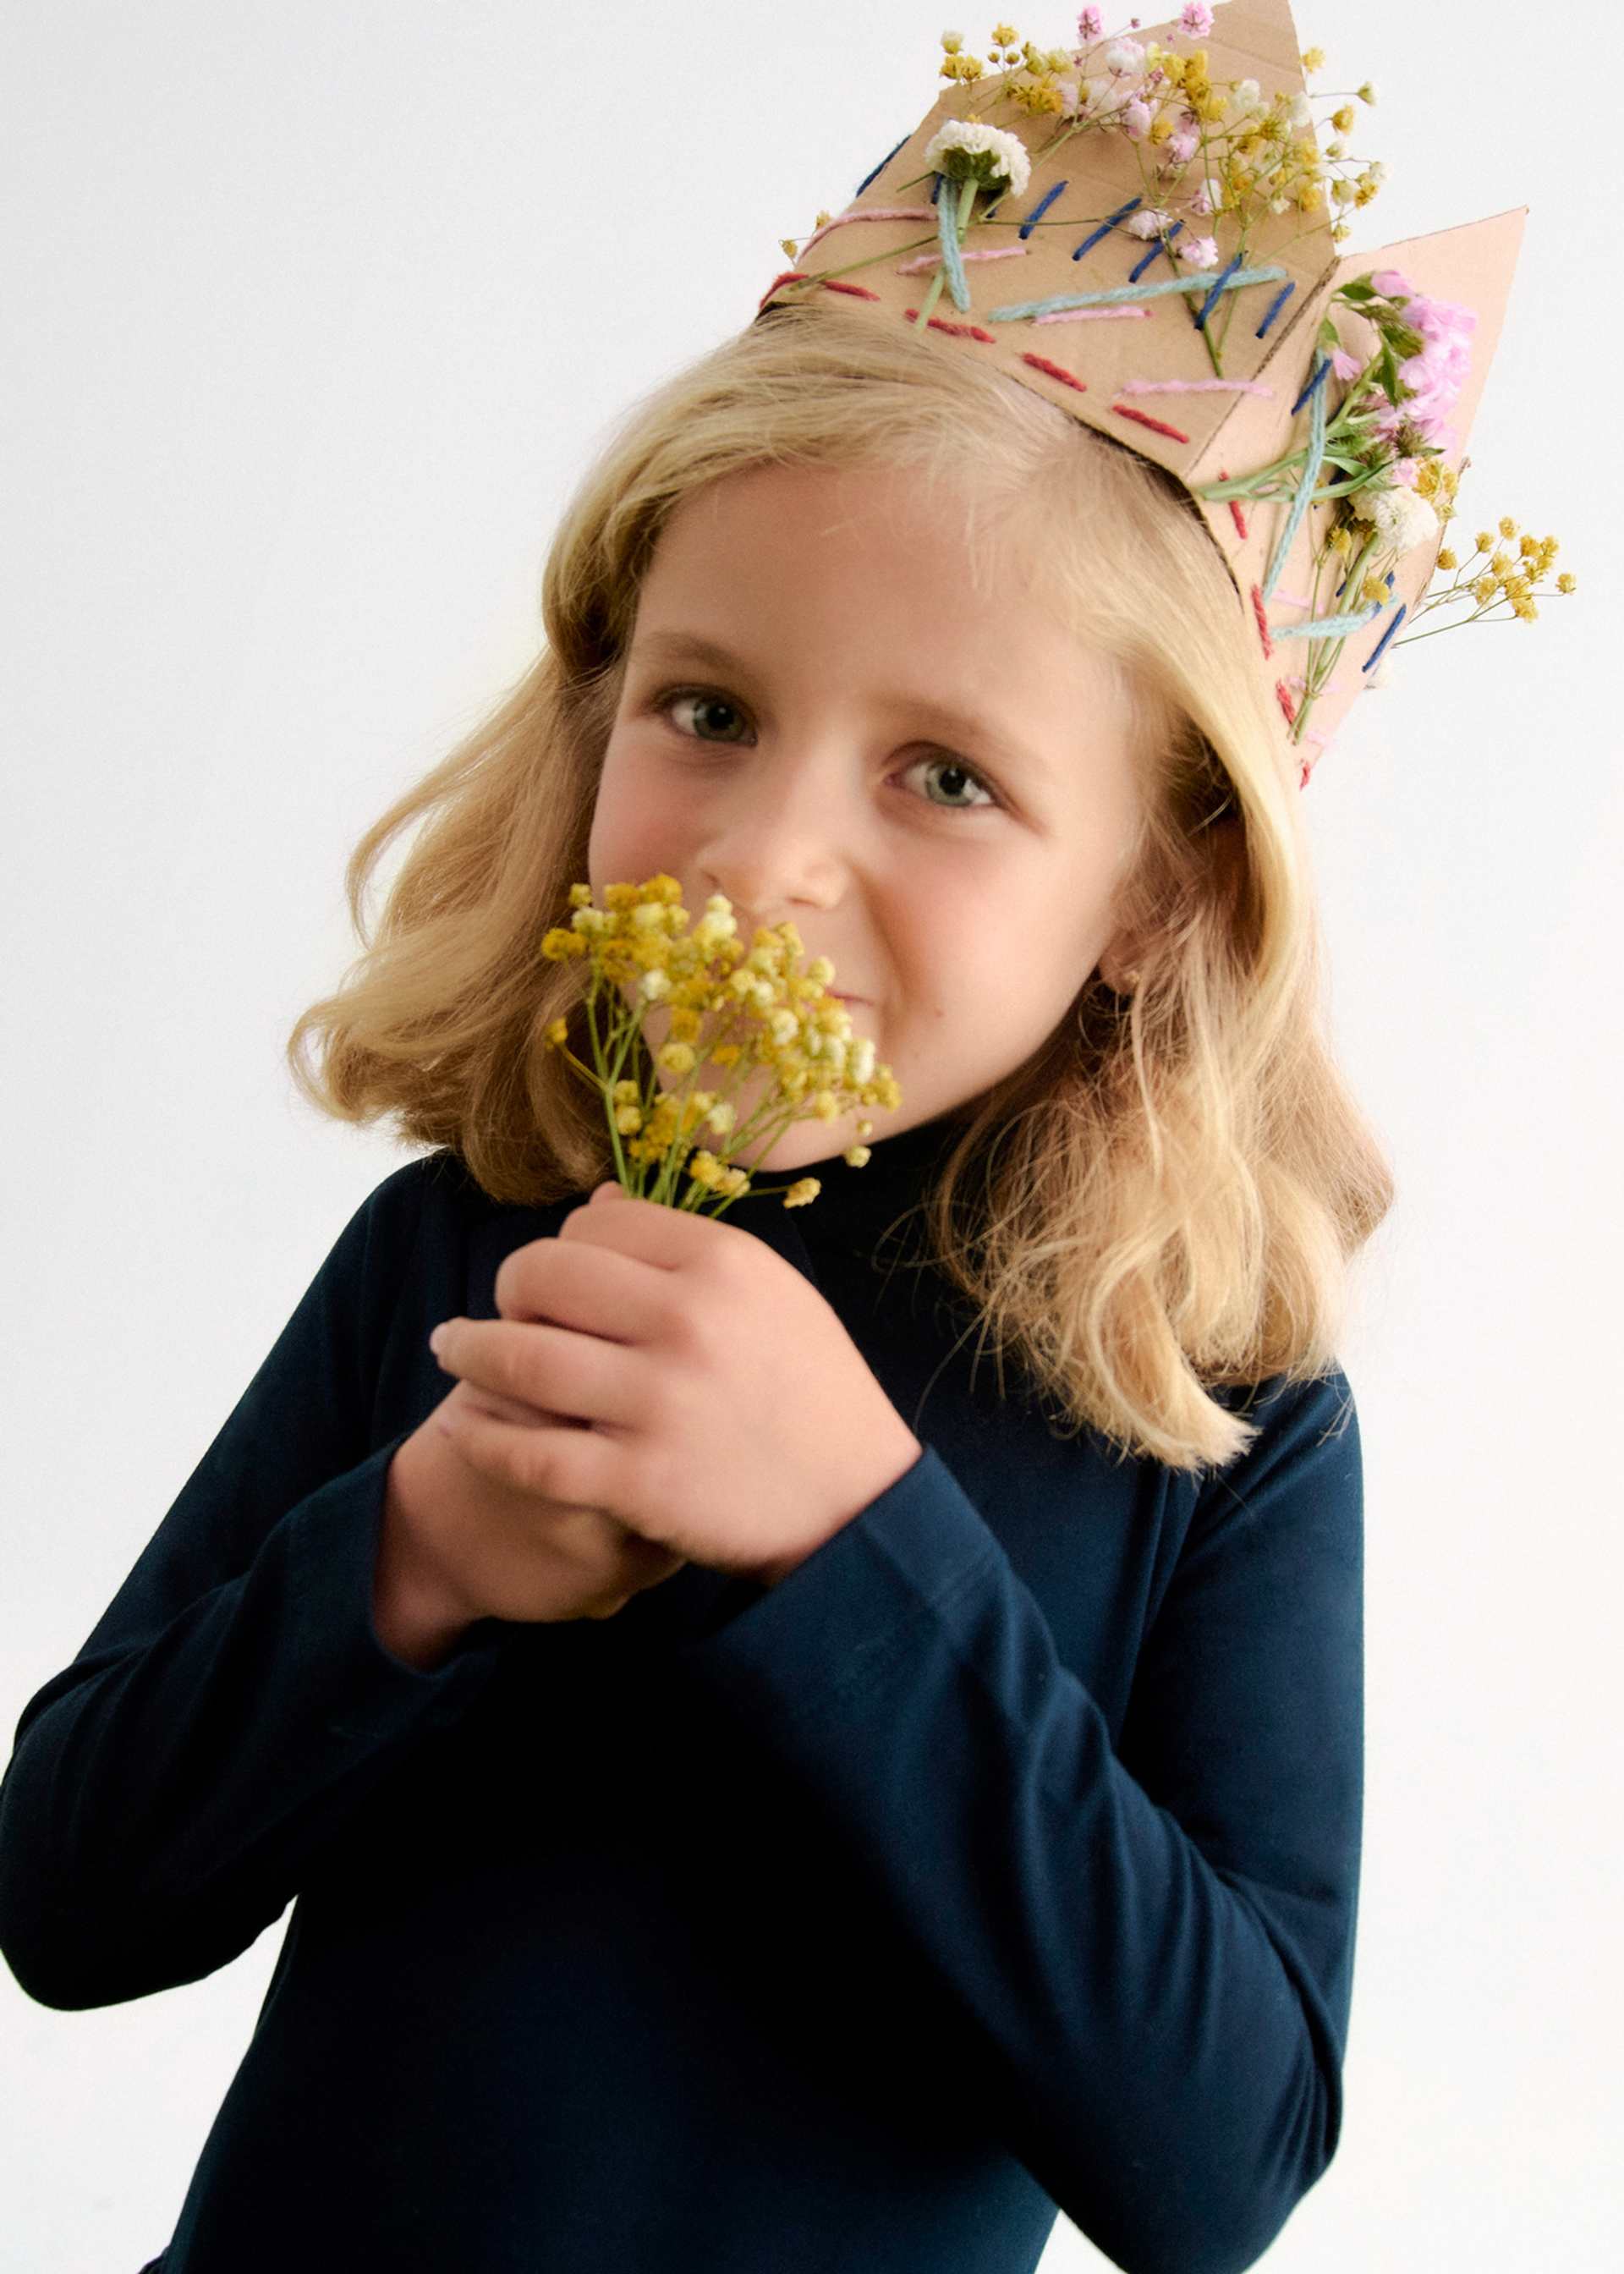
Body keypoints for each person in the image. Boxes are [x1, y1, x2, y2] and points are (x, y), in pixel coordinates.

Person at [10, 5, 1522, 2260]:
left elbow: (1221, 2163)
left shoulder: (1215, 1420)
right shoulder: (469, 1256)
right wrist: (409, 1561)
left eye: (946, 775)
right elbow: (68, 1891)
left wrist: (850, 1541)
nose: (763, 858)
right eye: (708, 710)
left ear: (1158, 893)